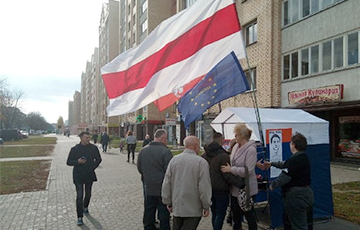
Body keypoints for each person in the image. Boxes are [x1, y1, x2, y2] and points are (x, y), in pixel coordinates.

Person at [259, 132, 314, 230]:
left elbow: (285, 176)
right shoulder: (303, 157)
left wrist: (273, 185)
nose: (289, 145)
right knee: (300, 222)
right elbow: (286, 164)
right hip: (307, 194)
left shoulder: (295, 160)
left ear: (293, 145)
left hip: (296, 196)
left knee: (298, 226)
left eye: (290, 143)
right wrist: (272, 164)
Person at [162, 136, 212, 230]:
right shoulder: (201, 163)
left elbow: (167, 183)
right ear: (196, 146)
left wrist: (168, 201)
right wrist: (206, 205)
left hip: (178, 206)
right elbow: (204, 187)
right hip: (193, 208)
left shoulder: (174, 160)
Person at [202, 132, 245, 230]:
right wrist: (241, 184)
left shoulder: (204, 155)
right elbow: (227, 175)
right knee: (220, 213)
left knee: (214, 212)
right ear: (222, 141)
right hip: (221, 189)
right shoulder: (223, 156)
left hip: (209, 187)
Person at [221, 123, 258, 230]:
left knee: (249, 215)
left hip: (247, 188)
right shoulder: (236, 146)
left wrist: (231, 169)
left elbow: (248, 170)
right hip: (235, 187)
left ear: (242, 135)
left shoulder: (251, 149)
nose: (234, 136)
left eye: (236, 134)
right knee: (235, 216)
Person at [137, 129, 173, 230]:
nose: (166, 142)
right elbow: (169, 172)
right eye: (166, 139)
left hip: (148, 187)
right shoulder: (166, 152)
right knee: (163, 213)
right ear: (162, 138)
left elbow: (140, 168)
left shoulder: (143, 150)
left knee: (149, 211)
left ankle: (148, 227)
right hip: (162, 188)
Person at [66, 131, 102, 226]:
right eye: (86, 137)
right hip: (78, 175)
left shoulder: (93, 148)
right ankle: (79, 217)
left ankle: (85, 207)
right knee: (79, 196)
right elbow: (68, 162)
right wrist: (77, 162)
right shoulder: (75, 149)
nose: (88, 139)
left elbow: (98, 159)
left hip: (89, 174)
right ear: (81, 138)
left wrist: (92, 167)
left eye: (88, 138)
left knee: (88, 193)